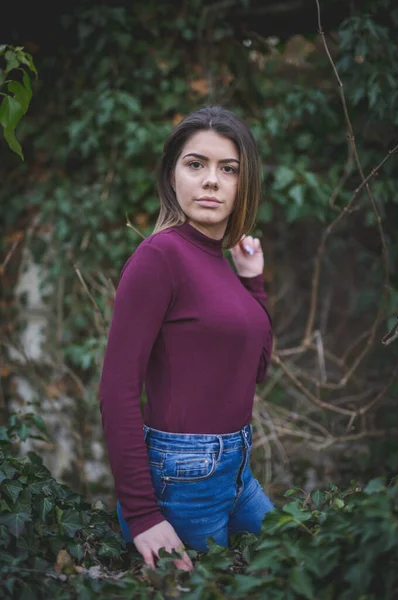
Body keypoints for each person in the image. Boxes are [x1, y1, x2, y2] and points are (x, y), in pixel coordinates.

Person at [99, 105, 274, 572]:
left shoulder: (220, 260)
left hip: (237, 472)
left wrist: (253, 280)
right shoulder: (159, 258)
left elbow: (256, 370)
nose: (212, 180)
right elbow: (116, 391)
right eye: (196, 164)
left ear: (244, 183)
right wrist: (142, 515)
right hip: (182, 478)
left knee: (297, 560)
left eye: (228, 168)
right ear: (172, 175)